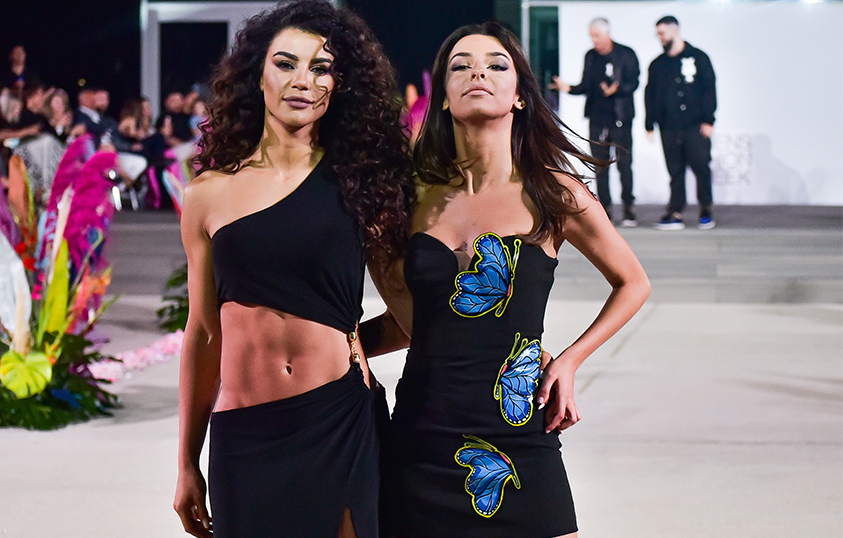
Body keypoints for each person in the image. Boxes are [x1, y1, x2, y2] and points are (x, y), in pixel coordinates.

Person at [362, 22, 651, 538]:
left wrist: (569, 361)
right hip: (422, 436)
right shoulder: (406, 198)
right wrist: (331, 346)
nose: (478, 72)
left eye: (497, 65)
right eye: (461, 66)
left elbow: (633, 282)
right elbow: (411, 323)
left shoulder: (554, 191)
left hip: (520, 435)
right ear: (443, 96)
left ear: (519, 95)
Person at [172, 1, 414, 537]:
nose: (303, 80)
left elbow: (410, 314)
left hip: (341, 421)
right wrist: (187, 461)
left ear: (339, 84)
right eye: (286, 63)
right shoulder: (207, 194)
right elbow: (203, 333)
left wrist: (349, 342)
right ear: (256, 73)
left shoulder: (361, 181)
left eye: (321, 68)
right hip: (244, 436)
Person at [552, 17, 640, 227]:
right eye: (592, 36)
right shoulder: (591, 56)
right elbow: (586, 85)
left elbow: (634, 82)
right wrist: (569, 88)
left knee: (624, 164)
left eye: (598, 35)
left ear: (608, 33)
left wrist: (617, 89)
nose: (594, 40)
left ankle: (628, 208)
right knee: (600, 166)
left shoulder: (625, 54)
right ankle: (605, 209)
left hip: (620, 118)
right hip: (597, 118)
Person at [645, 15, 717, 230]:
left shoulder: (699, 58)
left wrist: (709, 120)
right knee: (675, 171)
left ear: (674, 31)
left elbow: (709, 89)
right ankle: (675, 211)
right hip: (668, 126)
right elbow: (650, 95)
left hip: (695, 125)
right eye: (658, 34)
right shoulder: (658, 64)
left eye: (662, 33)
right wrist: (649, 123)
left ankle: (706, 210)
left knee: (701, 166)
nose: (660, 37)